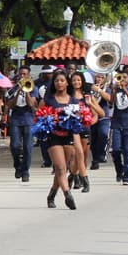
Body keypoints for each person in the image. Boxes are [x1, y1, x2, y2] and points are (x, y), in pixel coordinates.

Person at [36, 70, 79, 210]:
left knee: (64, 169)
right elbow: (38, 117)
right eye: (56, 81)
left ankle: (51, 195)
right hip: (53, 137)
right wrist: (48, 119)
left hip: (68, 136)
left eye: (62, 80)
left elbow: (80, 119)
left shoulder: (73, 101)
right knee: (59, 167)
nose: (59, 83)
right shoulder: (48, 100)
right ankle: (68, 195)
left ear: (67, 82)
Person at [67, 71, 102, 192]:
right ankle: (84, 181)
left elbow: (99, 113)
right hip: (72, 129)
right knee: (78, 154)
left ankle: (73, 176)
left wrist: (90, 106)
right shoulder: (68, 96)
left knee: (83, 156)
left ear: (82, 81)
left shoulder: (87, 95)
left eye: (78, 80)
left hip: (85, 129)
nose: (76, 82)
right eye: (74, 80)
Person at [107, 68, 128, 185]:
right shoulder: (116, 90)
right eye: (121, 77)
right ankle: (119, 169)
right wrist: (114, 91)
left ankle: (127, 176)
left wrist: (125, 89)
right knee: (115, 150)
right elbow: (111, 103)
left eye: (125, 78)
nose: (122, 80)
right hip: (116, 123)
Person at [4, 66, 38, 182]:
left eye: (24, 74)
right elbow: (11, 105)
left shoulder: (34, 88)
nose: (22, 76)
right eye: (20, 74)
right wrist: (18, 91)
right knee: (14, 145)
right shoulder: (12, 89)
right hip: (16, 119)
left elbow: (31, 104)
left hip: (28, 119)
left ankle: (25, 171)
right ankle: (17, 165)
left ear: (29, 75)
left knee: (28, 147)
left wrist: (26, 91)